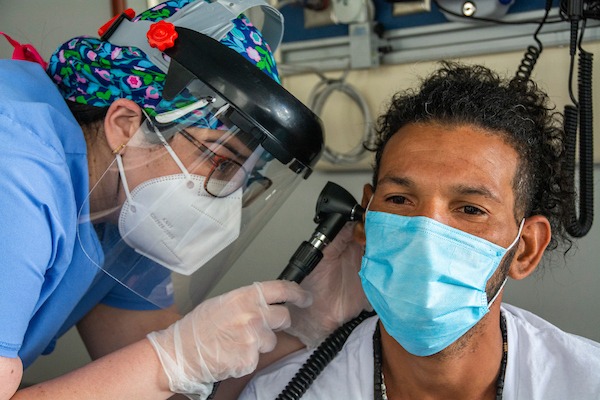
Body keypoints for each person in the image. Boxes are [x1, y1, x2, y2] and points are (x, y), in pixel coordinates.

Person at [0, 1, 368, 398]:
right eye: (220, 161)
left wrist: (307, 323)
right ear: (126, 125)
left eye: (245, 179)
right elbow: (164, 367)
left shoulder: (123, 205)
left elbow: (172, 386)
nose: (224, 198)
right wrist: (172, 360)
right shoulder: (19, 173)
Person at [239, 62, 600, 399]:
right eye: (399, 200)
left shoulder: (585, 382)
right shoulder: (279, 391)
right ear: (365, 218)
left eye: (470, 209)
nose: (425, 235)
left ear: (525, 248)